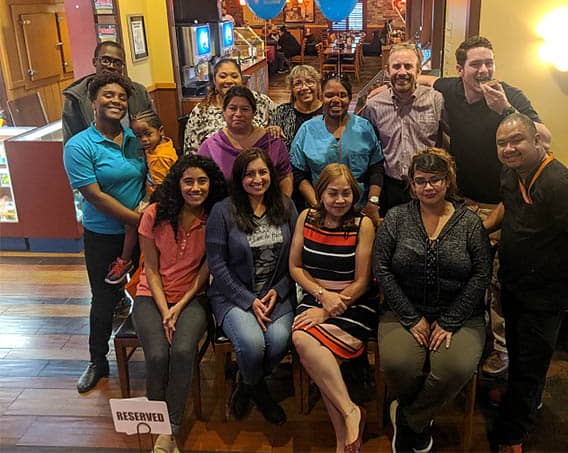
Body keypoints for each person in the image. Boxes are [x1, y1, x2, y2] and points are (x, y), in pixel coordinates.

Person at [425, 35, 553, 377]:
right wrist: (379, 91)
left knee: (498, 278)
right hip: (462, 202)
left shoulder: (509, 95)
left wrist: (506, 111)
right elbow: (424, 79)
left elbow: (545, 137)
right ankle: (462, 337)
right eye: (476, 64)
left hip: (504, 203)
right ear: (460, 69)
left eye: (489, 63)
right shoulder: (450, 89)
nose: (484, 70)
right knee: (462, 271)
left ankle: (501, 350)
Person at [485, 114, 568, 453]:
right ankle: (523, 398)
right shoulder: (513, 173)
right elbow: (508, 205)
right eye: (502, 143)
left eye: (516, 140)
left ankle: (512, 436)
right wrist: (484, 230)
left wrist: (553, 262)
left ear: (538, 141)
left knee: (532, 360)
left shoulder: (561, 184)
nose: (508, 148)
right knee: (519, 351)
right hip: (515, 282)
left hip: (545, 292)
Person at [373, 148, 491, 453]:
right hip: (403, 310)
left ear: (447, 181)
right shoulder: (397, 218)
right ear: (411, 184)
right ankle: (422, 417)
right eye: (420, 180)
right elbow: (382, 268)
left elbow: (481, 275)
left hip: (461, 315)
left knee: (453, 368)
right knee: (400, 365)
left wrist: (451, 320)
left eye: (435, 180)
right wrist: (411, 317)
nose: (428, 187)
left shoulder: (469, 223)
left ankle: (410, 419)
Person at [131, 155, 227, 453]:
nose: (195, 187)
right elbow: (150, 269)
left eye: (202, 181)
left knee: (183, 351)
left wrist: (179, 306)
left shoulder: (215, 218)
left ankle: (168, 430)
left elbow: (205, 270)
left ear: (211, 185)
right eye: (189, 181)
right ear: (178, 183)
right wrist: (164, 310)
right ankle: (157, 423)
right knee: (158, 355)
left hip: (193, 296)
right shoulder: (154, 214)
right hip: (152, 295)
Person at [63, 73, 147, 393]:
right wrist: (138, 220)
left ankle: (152, 351)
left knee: (147, 289)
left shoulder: (134, 138)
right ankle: (97, 360)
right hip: (104, 236)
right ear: (93, 101)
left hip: (142, 235)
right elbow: (94, 195)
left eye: (122, 97)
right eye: (108, 95)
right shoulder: (79, 145)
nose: (116, 101)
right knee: (104, 298)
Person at [205, 147, 298, 424]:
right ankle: (259, 391)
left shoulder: (285, 205)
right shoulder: (222, 211)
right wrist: (248, 300)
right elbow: (217, 265)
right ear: (239, 178)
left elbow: (297, 256)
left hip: (277, 294)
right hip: (233, 296)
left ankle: (246, 383)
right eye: (249, 174)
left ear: (271, 173)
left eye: (262, 172)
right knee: (251, 344)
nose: (257, 179)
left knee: (279, 340)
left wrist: (279, 290)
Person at [290, 164, 376, 453]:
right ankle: (350, 415)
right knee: (307, 342)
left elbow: (363, 280)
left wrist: (329, 309)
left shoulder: (363, 224)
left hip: (354, 303)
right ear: (320, 193)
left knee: (315, 353)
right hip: (316, 296)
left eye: (346, 193)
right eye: (333, 193)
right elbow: (295, 266)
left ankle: (344, 436)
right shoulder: (306, 218)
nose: (340, 200)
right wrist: (321, 295)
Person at [362, 43, 448, 216]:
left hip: (428, 187)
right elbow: (370, 151)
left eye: (408, 66)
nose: (402, 72)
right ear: (387, 71)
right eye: (396, 66)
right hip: (390, 188)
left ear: (419, 71)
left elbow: (450, 140)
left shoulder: (437, 101)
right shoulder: (374, 105)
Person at [290, 75, 384, 225]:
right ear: (321, 97)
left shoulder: (364, 127)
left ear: (350, 98)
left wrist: (373, 202)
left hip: (360, 209)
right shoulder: (307, 130)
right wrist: (318, 205)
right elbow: (298, 173)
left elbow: (376, 167)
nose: (336, 100)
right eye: (329, 95)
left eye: (342, 95)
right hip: (320, 210)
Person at [105, 109, 178, 285]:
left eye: (147, 134)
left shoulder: (160, 157)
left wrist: (152, 209)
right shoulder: (161, 146)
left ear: (160, 131)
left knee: (132, 224)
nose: (143, 140)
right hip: (153, 193)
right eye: (139, 136)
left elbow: (162, 187)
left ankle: (125, 260)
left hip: (158, 198)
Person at [198, 85, 293, 196]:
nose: (238, 114)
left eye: (245, 109)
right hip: (226, 209)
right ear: (223, 111)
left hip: (269, 208)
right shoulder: (210, 146)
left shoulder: (272, 141)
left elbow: (286, 176)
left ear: (253, 113)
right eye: (232, 108)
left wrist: (284, 206)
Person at [62, 40, 154, 144]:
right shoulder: (76, 98)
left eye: (117, 63)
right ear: (95, 62)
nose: (111, 66)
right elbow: (72, 144)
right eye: (105, 60)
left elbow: (153, 129)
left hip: (135, 155)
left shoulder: (139, 92)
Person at [183, 58, 275, 155]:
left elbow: (281, 118)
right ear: (214, 80)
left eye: (234, 76)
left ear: (241, 79)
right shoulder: (201, 111)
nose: (229, 81)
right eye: (223, 76)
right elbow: (190, 153)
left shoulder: (260, 101)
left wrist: (275, 128)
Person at [269, 65, 324, 151]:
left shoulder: (327, 112)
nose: (304, 87)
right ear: (291, 89)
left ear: (317, 85)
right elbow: (272, 143)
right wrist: (272, 131)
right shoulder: (282, 112)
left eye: (309, 82)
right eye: (298, 84)